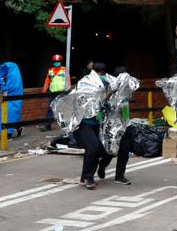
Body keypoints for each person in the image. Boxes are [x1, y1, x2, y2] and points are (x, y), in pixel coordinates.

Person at [96, 66, 138, 185]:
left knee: (124, 150)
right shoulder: (110, 87)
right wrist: (111, 90)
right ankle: (102, 165)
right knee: (110, 151)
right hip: (112, 125)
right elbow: (102, 102)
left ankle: (119, 176)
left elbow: (131, 94)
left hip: (125, 123)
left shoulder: (127, 88)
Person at [73, 62, 111, 190]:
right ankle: (89, 178)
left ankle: (84, 177)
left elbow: (101, 101)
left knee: (94, 149)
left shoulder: (88, 82)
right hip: (85, 123)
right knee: (93, 148)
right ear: (101, 73)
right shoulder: (92, 83)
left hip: (95, 122)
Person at [40, 54, 71, 131]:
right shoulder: (50, 71)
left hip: (62, 93)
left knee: (63, 108)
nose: (56, 63)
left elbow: (68, 80)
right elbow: (47, 80)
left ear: (60, 62)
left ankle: (66, 125)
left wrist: (68, 90)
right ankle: (47, 125)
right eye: (55, 61)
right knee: (50, 109)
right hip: (53, 93)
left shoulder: (64, 70)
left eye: (58, 61)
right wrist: (44, 89)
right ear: (53, 62)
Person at [0, 62, 24, 138]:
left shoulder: (13, 77)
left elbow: (7, 88)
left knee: (10, 115)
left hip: (13, 99)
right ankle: (17, 129)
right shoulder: (13, 75)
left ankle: (8, 134)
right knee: (11, 116)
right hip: (11, 99)